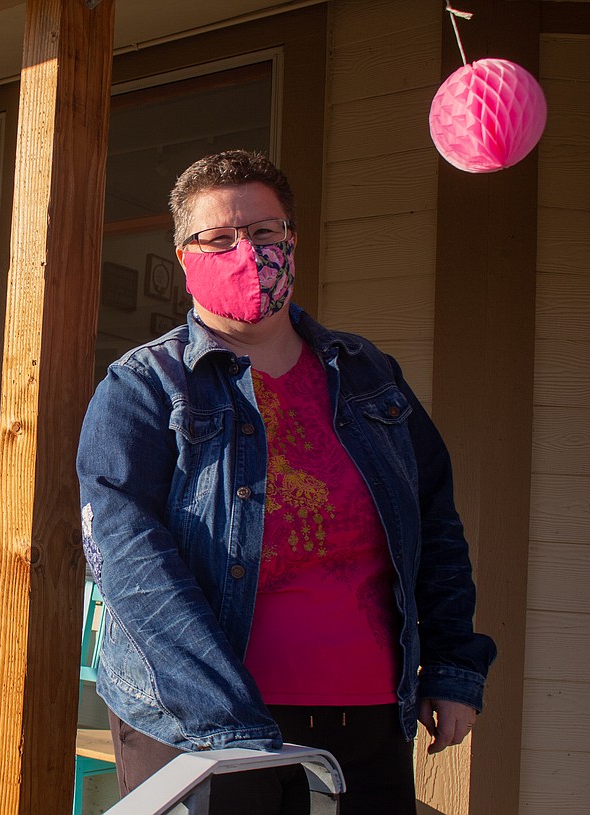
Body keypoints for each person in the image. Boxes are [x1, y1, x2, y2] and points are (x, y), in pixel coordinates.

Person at [76, 150, 496, 814]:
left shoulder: (368, 375)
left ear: (291, 240)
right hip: (203, 726)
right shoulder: (143, 387)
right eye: (221, 237)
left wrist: (451, 666)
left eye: (265, 232)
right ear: (185, 257)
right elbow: (128, 561)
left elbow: (434, 523)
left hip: (368, 718)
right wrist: (229, 721)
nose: (248, 252)